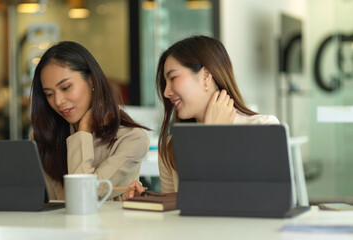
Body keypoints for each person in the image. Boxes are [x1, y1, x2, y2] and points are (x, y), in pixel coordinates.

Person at [125, 35, 279, 198]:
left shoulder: (263, 128)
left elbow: (261, 200)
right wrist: (148, 198)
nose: (166, 92)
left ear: (206, 76)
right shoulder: (172, 145)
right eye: (165, 82)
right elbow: (179, 209)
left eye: (173, 78)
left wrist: (213, 134)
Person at [30, 41, 150, 200]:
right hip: (57, 225)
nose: (58, 101)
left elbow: (83, 195)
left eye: (66, 87)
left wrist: (84, 130)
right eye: (49, 94)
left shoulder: (132, 138)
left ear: (92, 81)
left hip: (110, 225)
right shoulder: (44, 137)